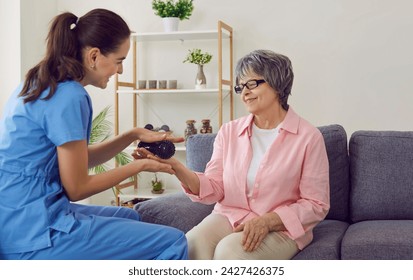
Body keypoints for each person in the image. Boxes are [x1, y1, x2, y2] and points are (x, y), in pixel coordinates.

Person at [0, 9, 188, 260]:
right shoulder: (70, 97)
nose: (119, 71)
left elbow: (77, 160)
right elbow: (77, 187)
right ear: (94, 56)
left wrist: (130, 135)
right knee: (172, 242)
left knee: (131, 215)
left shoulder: (39, 83)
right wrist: (139, 166)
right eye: (119, 60)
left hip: (18, 218)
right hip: (32, 232)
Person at [139, 50, 330, 260]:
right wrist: (176, 167)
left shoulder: (308, 137)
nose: (244, 93)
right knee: (192, 243)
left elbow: (316, 204)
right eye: (240, 86)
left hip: (281, 227)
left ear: (277, 83)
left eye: (252, 84)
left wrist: (267, 221)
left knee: (229, 252)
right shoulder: (229, 132)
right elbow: (215, 186)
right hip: (230, 215)